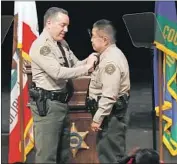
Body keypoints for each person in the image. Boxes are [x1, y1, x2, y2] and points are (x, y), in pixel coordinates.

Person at [29, 7, 97, 164]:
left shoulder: (62, 44)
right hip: (48, 106)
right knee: (47, 156)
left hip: (61, 104)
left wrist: (89, 60)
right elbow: (58, 73)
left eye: (67, 26)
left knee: (63, 155)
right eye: (62, 25)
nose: (65, 29)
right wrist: (86, 68)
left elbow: (74, 65)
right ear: (49, 23)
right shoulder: (42, 46)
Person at [86, 19, 130, 163]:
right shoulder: (106, 56)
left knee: (110, 157)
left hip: (110, 118)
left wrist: (98, 119)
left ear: (104, 40)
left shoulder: (111, 61)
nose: (91, 40)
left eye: (93, 36)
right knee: (107, 154)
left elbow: (110, 95)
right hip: (109, 117)